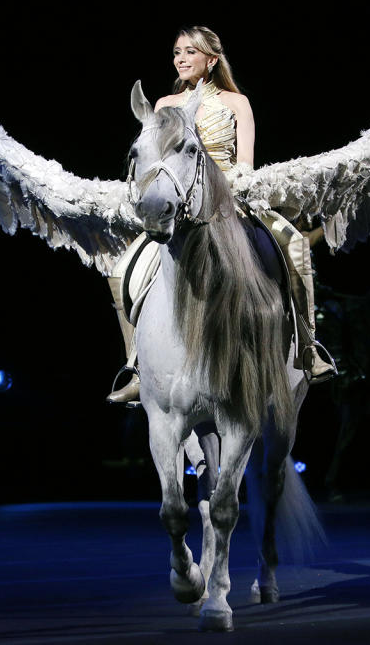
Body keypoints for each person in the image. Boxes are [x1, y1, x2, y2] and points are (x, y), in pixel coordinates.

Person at [107, 26, 335, 406]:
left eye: (190, 52)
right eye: (177, 51)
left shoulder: (236, 103)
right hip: (178, 211)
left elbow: (244, 162)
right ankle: (137, 366)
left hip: (228, 201)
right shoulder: (163, 106)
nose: (180, 58)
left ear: (211, 60)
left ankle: (308, 348)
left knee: (294, 243)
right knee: (120, 269)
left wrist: (226, 187)